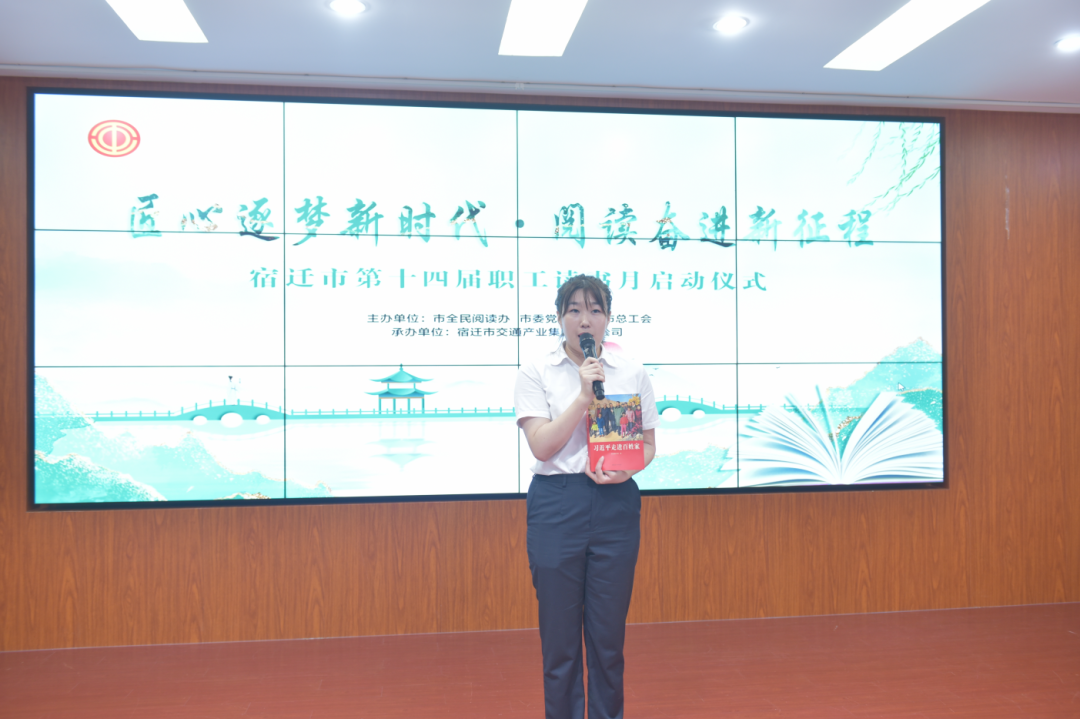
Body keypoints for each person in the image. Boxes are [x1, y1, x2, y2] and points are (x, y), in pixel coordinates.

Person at [514, 274, 659, 719]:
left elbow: (648, 445)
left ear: (608, 318)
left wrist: (626, 469)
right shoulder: (536, 371)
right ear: (560, 317)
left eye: (595, 310)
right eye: (574, 310)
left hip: (615, 504)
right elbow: (541, 446)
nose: (585, 320)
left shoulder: (632, 371)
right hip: (556, 504)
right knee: (560, 643)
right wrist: (582, 395)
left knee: (608, 640)